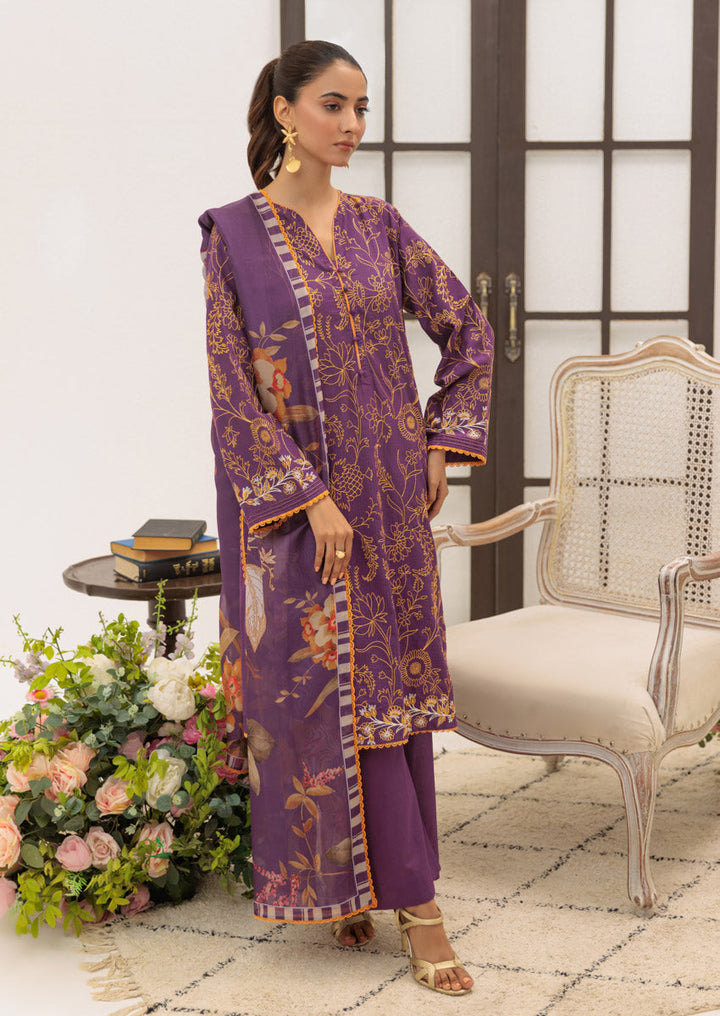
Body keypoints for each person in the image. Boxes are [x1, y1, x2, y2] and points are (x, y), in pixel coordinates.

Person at [199, 40, 493, 997]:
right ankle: (387, 897)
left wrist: (442, 442)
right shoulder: (232, 235)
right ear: (285, 111)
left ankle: (406, 897)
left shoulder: (379, 225)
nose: (354, 124)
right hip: (298, 516)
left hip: (392, 509)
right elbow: (232, 393)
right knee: (323, 698)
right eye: (334, 104)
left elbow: (467, 328)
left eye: (362, 107)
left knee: (388, 698)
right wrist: (311, 499)